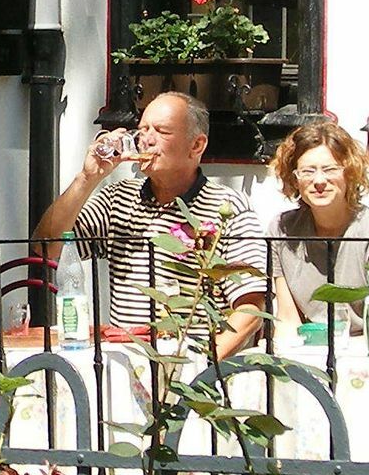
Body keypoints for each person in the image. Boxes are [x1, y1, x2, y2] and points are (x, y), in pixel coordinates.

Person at [33, 91, 266, 358]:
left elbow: (250, 308)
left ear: (197, 145)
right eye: (142, 130)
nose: (147, 140)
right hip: (125, 363)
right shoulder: (117, 198)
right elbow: (47, 247)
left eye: (162, 131)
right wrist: (87, 178)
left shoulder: (229, 208)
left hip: (190, 364)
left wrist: (202, 365)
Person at [267, 120, 369, 331]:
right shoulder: (282, 230)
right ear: (294, 178)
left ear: (349, 173)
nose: (319, 180)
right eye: (308, 171)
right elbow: (288, 318)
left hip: (365, 346)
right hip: (308, 346)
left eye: (329, 169)